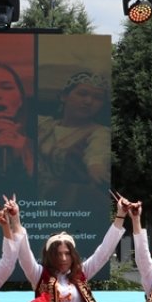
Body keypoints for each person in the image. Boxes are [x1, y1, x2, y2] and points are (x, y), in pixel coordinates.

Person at [37, 71, 111, 207]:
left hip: (72, 204)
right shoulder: (44, 125)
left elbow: (97, 155)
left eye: (97, 97)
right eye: (82, 94)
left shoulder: (99, 133)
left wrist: (97, 167)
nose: (88, 101)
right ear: (64, 96)